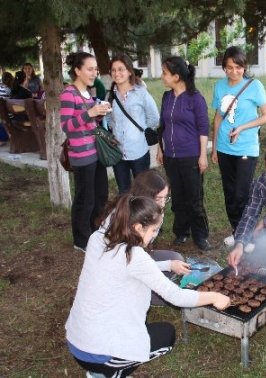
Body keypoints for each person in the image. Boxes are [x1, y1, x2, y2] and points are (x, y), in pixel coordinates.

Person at [66, 194, 230, 377]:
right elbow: (176, 296)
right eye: (153, 230)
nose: (154, 236)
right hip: (99, 353)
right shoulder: (134, 256)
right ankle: (110, 372)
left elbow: (130, 269)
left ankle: (100, 371)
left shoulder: (98, 238)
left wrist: (168, 265)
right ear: (137, 227)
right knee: (167, 336)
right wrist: (215, 296)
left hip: (76, 339)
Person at [211, 46, 266, 248]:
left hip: (246, 148)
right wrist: (214, 147)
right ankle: (237, 232)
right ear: (224, 68)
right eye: (229, 67)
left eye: (238, 67)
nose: (234, 71)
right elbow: (218, 117)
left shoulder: (255, 86)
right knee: (229, 193)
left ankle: (248, 235)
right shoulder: (219, 87)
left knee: (241, 193)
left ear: (244, 67)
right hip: (224, 147)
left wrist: (242, 127)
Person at [100, 168, 188, 306]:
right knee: (164, 295)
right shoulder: (126, 218)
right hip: (117, 270)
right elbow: (130, 262)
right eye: (159, 198)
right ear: (145, 195)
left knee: (177, 259)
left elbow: (142, 253)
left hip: (134, 259)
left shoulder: (152, 210)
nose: (163, 203)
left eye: (166, 197)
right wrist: (168, 265)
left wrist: (170, 264)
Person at [156, 56, 211, 251]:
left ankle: (201, 235)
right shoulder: (167, 97)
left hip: (191, 156)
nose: (162, 76)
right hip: (171, 156)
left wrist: (203, 155)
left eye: (165, 73)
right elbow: (162, 126)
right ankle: (181, 232)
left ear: (177, 76)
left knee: (194, 198)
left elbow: (203, 128)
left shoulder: (195, 98)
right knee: (178, 197)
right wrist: (160, 150)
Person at [60, 51, 111, 252]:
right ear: (77, 70)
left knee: (100, 195)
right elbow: (66, 125)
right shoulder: (68, 93)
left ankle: (94, 233)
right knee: (85, 198)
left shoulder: (88, 94)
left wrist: (100, 113)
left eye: (95, 69)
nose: (93, 73)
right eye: (89, 69)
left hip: (96, 153)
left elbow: (89, 124)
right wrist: (89, 113)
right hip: (81, 156)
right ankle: (80, 240)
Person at [106, 53, 159, 194]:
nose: (117, 73)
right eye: (113, 70)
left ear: (129, 71)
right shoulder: (110, 95)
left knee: (142, 191)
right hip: (118, 154)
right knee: (124, 192)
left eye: (121, 69)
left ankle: (143, 216)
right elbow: (109, 119)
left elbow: (154, 118)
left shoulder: (141, 93)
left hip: (138, 152)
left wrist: (140, 131)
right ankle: (128, 216)